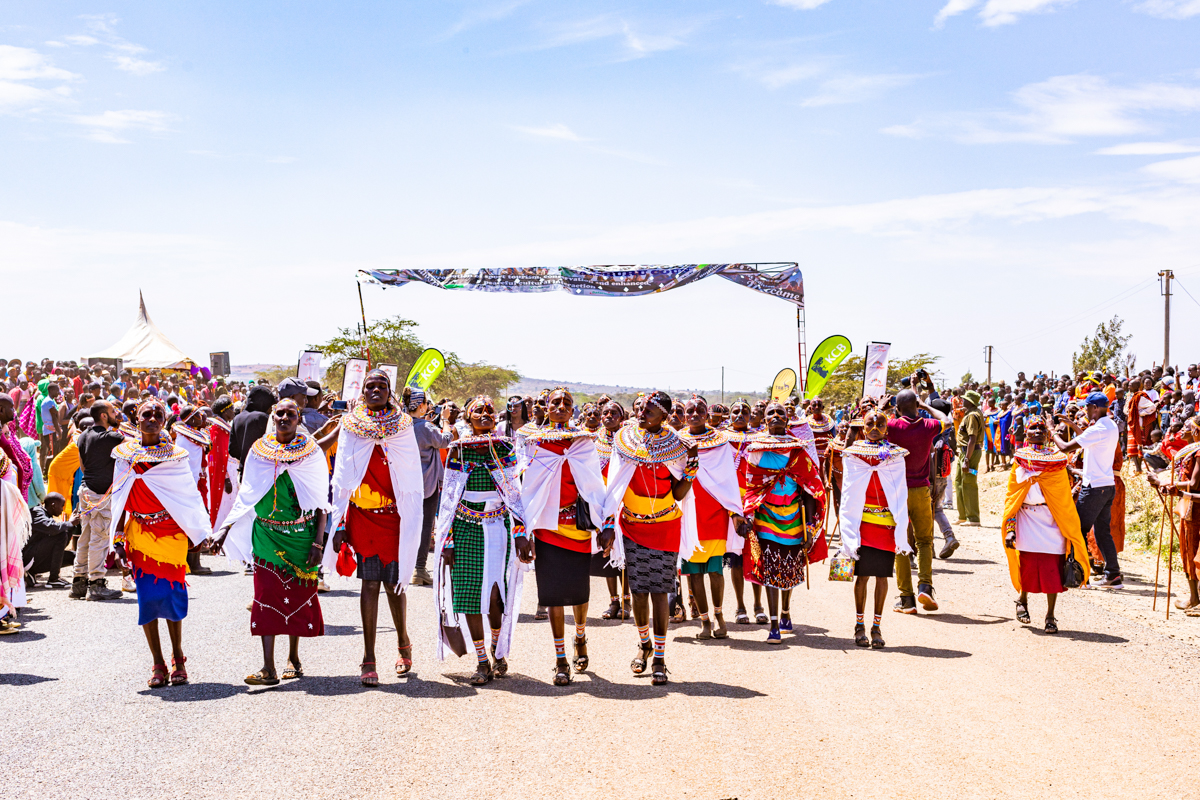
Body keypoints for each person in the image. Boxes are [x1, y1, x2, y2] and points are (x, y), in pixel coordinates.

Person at [217, 398, 331, 685]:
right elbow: (248, 495)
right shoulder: (258, 451)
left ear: (298, 418)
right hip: (266, 535)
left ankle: (293, 658)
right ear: (272, 416)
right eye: (279, 413)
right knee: (265, 596)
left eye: (290, 414)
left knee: (296, 596)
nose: (284, 418)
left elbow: (321, 502)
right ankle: (268, 667)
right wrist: (223, 530)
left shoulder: (312, 453)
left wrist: (318, 543)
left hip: (302, 537)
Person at [326, 369, 425, 686]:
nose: (377, 389)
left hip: (394, 518)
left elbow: (410, 474)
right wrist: (339, 520)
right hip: (363, 517)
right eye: (371, 385)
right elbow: (341, 477)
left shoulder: (403, 427)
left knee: (394, 585)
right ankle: (368, 658)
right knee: (369, 584)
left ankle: (403, 643)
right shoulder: (350, 426)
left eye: (383, 385)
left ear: (389, 391)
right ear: (362, 390)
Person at [109, 399, 214, 688]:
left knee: (172, 597)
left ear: (165, 420)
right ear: (137, 418)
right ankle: (157, 661)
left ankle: (178, 657)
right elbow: (120, 501)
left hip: (172, 536)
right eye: (147, 414)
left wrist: (199, 532)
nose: (152, 418)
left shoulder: (176, 456)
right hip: (139, 536)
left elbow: (187, 497)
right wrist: (117, 542)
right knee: (148, 600)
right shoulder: (124, 456)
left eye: (158, 414)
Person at [432, 395, 533, 686]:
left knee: (493, 595)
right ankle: (481, 661)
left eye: (490, 410)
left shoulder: (504, 449)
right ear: (468, 417)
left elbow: (514, 494)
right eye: (478, 411)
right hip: (464, 529)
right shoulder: (457, 451)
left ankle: (498, 649)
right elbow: (448, 498)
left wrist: (521, 532)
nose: (485, 414)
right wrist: (447, 540)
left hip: (498, 528)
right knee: (468, 597)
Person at [601, 391, 697, 685]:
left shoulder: (679, 446)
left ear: (665, 416)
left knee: (661, 592)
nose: (642, 414)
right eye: (641, 409)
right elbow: (615, 482)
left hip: (666, 525)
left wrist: (691, 468)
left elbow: (678, 494)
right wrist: (607, 523)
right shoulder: (625, 440)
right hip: (632, 525)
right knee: (638, 591)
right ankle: (643, 645)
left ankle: (659, 657)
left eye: (650, 411)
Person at [521, 388, 608, 685]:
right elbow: (526, 489)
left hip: (578, 528)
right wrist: (525, 530)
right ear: (546, 407)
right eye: (555, 402)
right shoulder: (534, 443)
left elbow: (595, 486)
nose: (561, 406)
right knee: (553, 594)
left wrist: (604, 524)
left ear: (573, 411)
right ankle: (560, 660)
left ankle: (580, 636)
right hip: (547, 528)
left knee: (579, 591)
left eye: (566, 403)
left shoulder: (583, 443)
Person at [740, 401, 827, 643]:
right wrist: (747, 515)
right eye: (771, 413)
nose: (776, 416)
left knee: (788, 569)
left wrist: (810, 526)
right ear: (764, 420)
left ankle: (786, 610)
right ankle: (774, 624)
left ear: (788, 420)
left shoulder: (799, 450)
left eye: (781, 413)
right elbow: (752, 486)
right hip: (766, 516)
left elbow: (811, 488)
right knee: (769, 570)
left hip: (794, 519)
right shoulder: (755, 450)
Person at [1002, 417, 1088, 634]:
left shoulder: (1059, 461)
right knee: (1028, 565)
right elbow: (1013, 498)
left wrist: (1067, 526)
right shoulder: (1019, 459)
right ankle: (1022, 600)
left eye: (1042, 428)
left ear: (1048, 434)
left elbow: (1062, 497)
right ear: (1027, 433)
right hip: (1026, 519)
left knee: (1053, 570)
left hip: (1052, 519)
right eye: (1033, 428)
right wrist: (1010, 530)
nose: (1038, 430)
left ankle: (1050, 615)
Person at [838, 408, 912, 648]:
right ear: (862, 426)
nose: (875, 427)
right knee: (861, 576)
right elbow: (849, 491)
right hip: (862, 524)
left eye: (880, 424)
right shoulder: (853, 455)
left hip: (886, 526)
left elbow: (899, 491)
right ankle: (859, 625)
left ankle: (877, 626)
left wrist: (903, 523)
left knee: (882, 576)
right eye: (870, 423)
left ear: (887, 428)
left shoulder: (894, 456)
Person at [679, 396, 744, 641]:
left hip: (715, 513)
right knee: (694, 572)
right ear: (684, 415)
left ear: (707, 414)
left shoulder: (720, 442)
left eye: (699, 410)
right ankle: (704, 621)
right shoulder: (676, 441)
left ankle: (720, 617)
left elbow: (728, 479)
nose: (694, 413)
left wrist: (735, 511)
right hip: (688, 513)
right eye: (690, 410)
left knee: (715, 571)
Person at [1044, 392, 1123, 588]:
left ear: (1095, 408)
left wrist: (1051, 430)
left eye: (1087, 407)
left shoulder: (1097, 430)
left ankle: (1078, 575)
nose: (1085, 410)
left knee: (1077, 530)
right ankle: (1113, 575)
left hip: (1094, 488)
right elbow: (1088, 438)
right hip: (1106, 486)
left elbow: (1064, 448)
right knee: (1103, 532)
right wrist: (1072, 425)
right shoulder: (1109, 425)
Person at [886, 383, 951, 613]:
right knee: (924, 541)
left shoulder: (891, 426)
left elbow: (869, 427)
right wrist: (926, 406)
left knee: (901, 544)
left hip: (898, 493)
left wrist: (883, 409)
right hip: (922, 490)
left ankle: (906, 599)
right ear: (916, 405)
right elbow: (948, 419)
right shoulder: (928, 425)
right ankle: (925, 585)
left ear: (897, 408)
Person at [72, 401, 127, 601]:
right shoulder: (111, 437)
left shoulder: (83, 436)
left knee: (85, 537)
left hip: (85, 490)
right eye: (113, 412)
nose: (116, 414)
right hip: (100, 495)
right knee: (100, 539)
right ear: (103, 415)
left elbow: (83, 468)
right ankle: (96, 584)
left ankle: (78, 582)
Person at [1148, 417, 1200, 613]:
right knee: (1189, 550)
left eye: (1186, 428)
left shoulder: (1199, 452)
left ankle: (1197, 599)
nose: (1181, 432)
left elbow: (1194, 484)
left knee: (1194, 552)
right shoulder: (1191, 451)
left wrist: (1163, 483)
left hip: (1195, 507)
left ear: (1195, 431)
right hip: (1189, 506)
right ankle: (1194, 598)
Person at [407, 387, 456, 586]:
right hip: (426, 483)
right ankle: (419, 569)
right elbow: (445, 441)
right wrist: (444, 420)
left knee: (407, 525)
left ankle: (405, 566)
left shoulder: (399, 425)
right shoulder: (425, 428)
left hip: (404, 483)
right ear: (421, 405)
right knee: (426, 525)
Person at [594, 399, 631, 620]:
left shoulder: (628, 441)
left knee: (623, 552)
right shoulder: (593, 442)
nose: (609, 416)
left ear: (621, 418)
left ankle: (627, 601)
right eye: (605, 413)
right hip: (601, 503)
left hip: (623, 502)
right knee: (605, 553)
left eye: (613, 413)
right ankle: (613, 601)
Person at [22, 493, 76, 588]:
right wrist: (69, 523)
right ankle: (54, 579)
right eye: (62, 506)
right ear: (53, 505)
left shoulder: (46, 516)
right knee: (60, 533)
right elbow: (53, 528)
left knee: (73, 556)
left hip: (34, 559)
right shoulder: (37, 512)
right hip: (26, 560)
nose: (62, 509)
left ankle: (31, 573)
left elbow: (62, 544)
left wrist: (72, 526)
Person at [230, 384, 275, 479]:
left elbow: (232, 450)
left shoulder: (237, 418)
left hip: (244, 471)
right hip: (262, 472)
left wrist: (244, 457)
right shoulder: (262, 418)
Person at [955, 390, 984, 526]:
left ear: (970, 402)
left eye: (965, 399)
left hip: (970, 452)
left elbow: (972, 438)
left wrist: (967, 459)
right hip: (965, 452)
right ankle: (963, 515)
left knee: (969, 483)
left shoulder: (972, 416)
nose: (962, 401)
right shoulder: (971, 414)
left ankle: (973, 518)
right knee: (959, 482)